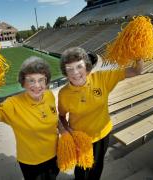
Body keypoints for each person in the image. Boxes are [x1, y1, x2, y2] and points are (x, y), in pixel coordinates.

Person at [58, 47, 143, 180]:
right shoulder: (64, 94)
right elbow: (62, 116)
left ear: (86, 66)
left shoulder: (102, 78)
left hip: (103, 134)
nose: (75, 72)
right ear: (65, 72)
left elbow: (137, 70)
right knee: (81, 171)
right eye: (70, 69)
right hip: (80, 140)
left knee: (97, 169)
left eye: (79, 66)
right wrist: (66, 131)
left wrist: (139, 57)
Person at [0, 56, 59, 180]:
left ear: (46, 81)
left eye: (41, 80)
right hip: (32, 163)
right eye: (31, 80)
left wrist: (64, 131)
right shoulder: (12, 103)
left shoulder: (49, 95)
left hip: (55, 155)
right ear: (23, 82)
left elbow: (55, 119)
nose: (37, 85)